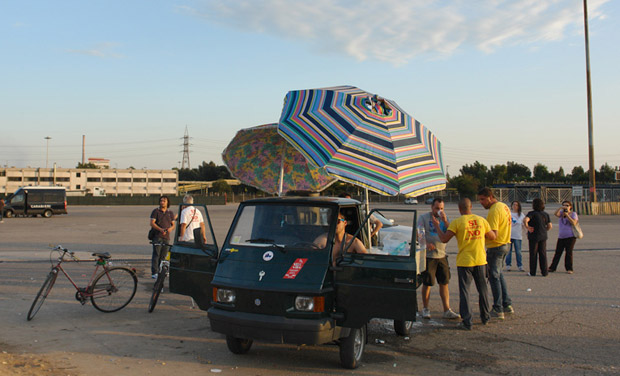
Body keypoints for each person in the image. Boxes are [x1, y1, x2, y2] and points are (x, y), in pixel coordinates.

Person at [432, 198, 496, 330]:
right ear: (471, 207)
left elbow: (444, 238)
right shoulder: (481, 220)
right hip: (480, 260)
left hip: (465, 261)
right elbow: (492, 236)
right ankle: (485, 317)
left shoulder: (457, 222)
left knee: (465, 291)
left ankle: (467, 321)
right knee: (483, 290)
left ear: (459, 209)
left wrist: (437, 226)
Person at [417, 198, 460, 320]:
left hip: (442, 255)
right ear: (432, 207)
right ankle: (425, 309)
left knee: (444, 282)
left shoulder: (444, 218)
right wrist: (425, 243)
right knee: (428, 283)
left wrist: (445, 221)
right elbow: (419, 234)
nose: (439, 211)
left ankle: (447, 309)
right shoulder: (424, 218)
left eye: (441, 208)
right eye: (437, 208)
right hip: (429, 256)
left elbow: (451, 231)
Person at [477, 187, 514, 320]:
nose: (481, 202)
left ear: (490, 197)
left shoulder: (494, 211)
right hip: (505, 244)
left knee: (494, 277)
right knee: (499, 275)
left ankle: (498, 308)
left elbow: (493, 234)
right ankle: (506, 303)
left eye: (482, 199)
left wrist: (479, 236)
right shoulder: (503, 206)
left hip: (496, 246)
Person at [524, 198, 552, 277]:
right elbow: (550, 226)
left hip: (533, 236)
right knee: (543, 254)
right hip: (543, 235)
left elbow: (525, 220)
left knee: (533, 254)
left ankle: (533, 272)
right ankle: (544, 272)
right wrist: (545, 230)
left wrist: (528, 227)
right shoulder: (545, 214)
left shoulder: (532, 213)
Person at [549, 200, 579, 274]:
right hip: (561, 236)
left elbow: (574, 222)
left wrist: (567, 215)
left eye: (567, 206)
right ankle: (552, 267)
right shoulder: (561, 213)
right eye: (564, 205)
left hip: (570, 236)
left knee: (568, 252)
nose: (565, 207)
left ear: (570, 207)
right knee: (558, 252)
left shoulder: (573, 214)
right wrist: (560, 208)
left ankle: (569, 268)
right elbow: (555, 214)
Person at [150, 196, 175, 279]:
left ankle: (162, 271)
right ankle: (154, 272)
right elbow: (152, 223)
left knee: (163, 256)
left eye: (164, 201)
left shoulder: (170, 213)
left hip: (166, 237)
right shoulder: (156, 211)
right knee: (156, 254)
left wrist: (170, 229)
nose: (162, 202)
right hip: (157, 236)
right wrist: (160, 229)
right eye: (161, 200)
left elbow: (173, 224)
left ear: (167, 202)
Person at [506, 201, 526, 272]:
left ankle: (520, 265)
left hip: (517, 235)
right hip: (509, 235)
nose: (515, 206)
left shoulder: (521, 215)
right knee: (508, 251)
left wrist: (526, 231)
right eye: (513, 204)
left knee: (518, 252)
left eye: (516, 205)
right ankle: (508, 265)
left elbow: (524, 224)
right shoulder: (509, 214)